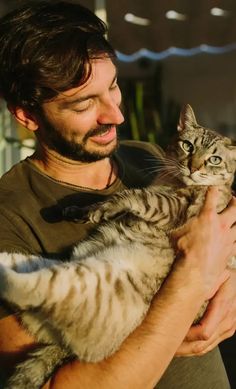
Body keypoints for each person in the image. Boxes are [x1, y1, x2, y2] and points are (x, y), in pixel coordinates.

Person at [0, 1, 235, 388]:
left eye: (112, 86)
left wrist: (230, 287)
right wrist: (190, 282)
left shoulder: (147, 158)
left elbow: (222, 241)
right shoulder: (10, 216)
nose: (116, 115)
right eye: (85, 103)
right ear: (27, 115)